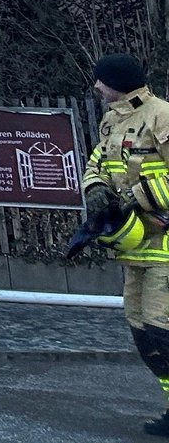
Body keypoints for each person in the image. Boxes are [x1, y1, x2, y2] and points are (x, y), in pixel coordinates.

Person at [84, 53, 169, 436]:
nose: (96, 87)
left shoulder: (160, 115)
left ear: (116, 81)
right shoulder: (112, 120)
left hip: (165, 246)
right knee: (141, 329)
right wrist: (97, 189)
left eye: (101, 80)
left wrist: (137, 195)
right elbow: (96, 163)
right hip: (134, 248)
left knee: (159, 328)